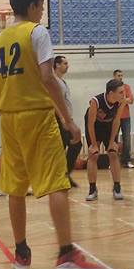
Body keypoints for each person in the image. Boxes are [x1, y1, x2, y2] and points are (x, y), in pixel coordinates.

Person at [0, 0, 104, 269]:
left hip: (8, 118)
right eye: (41, 5)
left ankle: (21, 255)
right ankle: (66, 255)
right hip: (37, 116)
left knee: (15, 187)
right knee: (57, 182)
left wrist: (7, 111)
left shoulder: (0, 40)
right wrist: (68, 120)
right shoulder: (37, 32)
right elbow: (47, 77)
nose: (42, 11)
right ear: (31, 6)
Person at [85, 78, 126, 202]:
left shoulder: (121, 102)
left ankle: (117, 187)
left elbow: (116, 121)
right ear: (111, 93)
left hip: (109, 125)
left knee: (113, 153)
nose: (123, 94)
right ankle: (92, 189)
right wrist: (93, 144)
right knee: (93, 155)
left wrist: (112, 141)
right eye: (120, 92)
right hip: (95, 126)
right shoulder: (96, 101)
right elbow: (90, 124)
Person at [53, 55, 82, 186]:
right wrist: (62, 118)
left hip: (66, 118)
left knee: (76, 143)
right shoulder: (54, 81)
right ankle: (60, 177)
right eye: (65, 63)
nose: (67, 65)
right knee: (61, 147)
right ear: (57, 65)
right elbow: (53, 101)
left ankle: (65, 174)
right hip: (59, 119)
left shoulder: (62, 81)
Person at [113, 68, 134, 168]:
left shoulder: (126, 87)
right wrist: (123, 100)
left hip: (126, 117)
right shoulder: (111, 88)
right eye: (118, 75)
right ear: (114, 76)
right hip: (114, 117)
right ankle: (113, 161)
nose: (120, 77)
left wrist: (123, 100)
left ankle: (127, 160)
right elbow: (111, 100)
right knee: (113, 139)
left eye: (121, 75)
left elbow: (131, 100)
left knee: (127, 139)